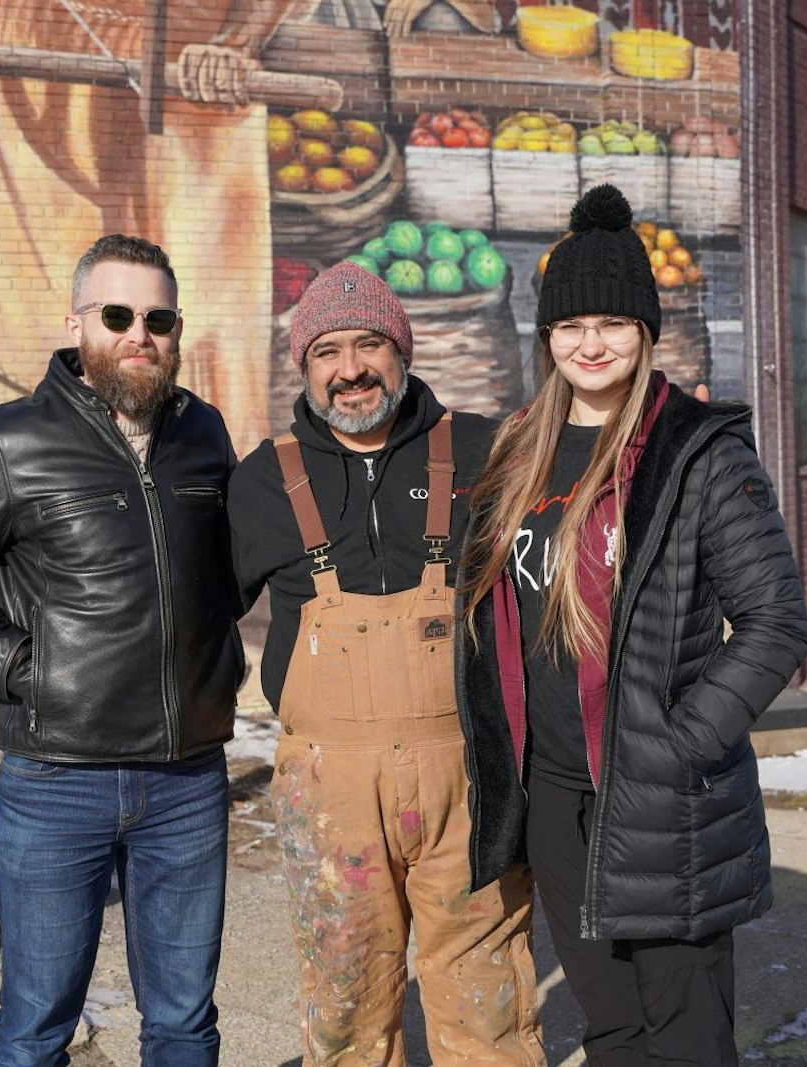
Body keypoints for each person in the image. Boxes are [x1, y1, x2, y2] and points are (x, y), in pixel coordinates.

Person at [455, 184, 807, 1066]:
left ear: (646, 332)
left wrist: (683, 742)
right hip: (554, 798)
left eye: (613, 322)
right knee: (610, 1027)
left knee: (687, 1036)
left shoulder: (697, 455)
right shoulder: (516, 453)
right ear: (546, 337)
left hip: (661, 803)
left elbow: (776, 622)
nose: (591, 343)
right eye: (571, 325)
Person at [0, 234, 243, 1067]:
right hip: (58, 782)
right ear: (77, 323)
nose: (140, 335)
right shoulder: (14, 441)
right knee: (35, 1026)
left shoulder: (204, 434)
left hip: (188, 777)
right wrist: (24, 670)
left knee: (185, 1023)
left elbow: (223, 569)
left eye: (158, 318)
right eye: (117, 314)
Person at [230, 260, 544, 1066]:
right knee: (345, 998)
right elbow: (195, 617)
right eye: (326, 351)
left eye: (369, 343)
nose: (350, 369)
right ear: (304, 367)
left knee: (486, 993)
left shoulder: (484, 449)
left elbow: (553, 592)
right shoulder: (264, 480)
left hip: (469, 776)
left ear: (402, 349)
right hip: (329, 787)